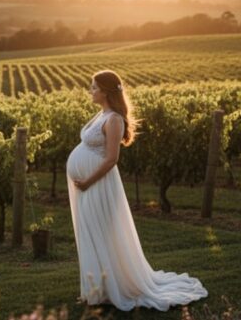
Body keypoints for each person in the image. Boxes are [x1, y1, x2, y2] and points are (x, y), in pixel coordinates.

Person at [66, 69, 208, 311]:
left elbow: (112, 159)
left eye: (94, 87)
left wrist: (88, 181)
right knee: (90, 233)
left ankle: (108, 289)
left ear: (106, 91)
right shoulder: (102, 115)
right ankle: (96, 290)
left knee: (100, 234)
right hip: (88, 186)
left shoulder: (114, 120)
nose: (90, 91)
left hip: (98, 185)